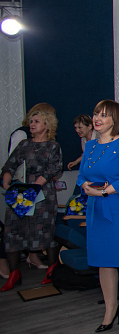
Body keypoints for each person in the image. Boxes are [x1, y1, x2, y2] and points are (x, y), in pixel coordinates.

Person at [76, 100, 119, 334]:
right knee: (104, 262)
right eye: (96, 114)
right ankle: (111, 310)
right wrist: (85, 186)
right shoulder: (90, 145)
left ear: (116, 119)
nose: (97, 118)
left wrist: (105, 191)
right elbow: (82, 175)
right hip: (97, 208)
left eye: (104, 115)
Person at [1, 105, 62, 290]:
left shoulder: (53, 146)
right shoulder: (23, 145)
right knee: (12, 231)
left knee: (45, 230)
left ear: (47, 125)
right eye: (31, 122)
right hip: (21, 192)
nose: (32, 124)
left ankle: (51, 270)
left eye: (36, 121)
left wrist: (34, 188)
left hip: (41, 194)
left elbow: (53, 169)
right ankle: (14, 273)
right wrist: (7, 184)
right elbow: (10, 165)